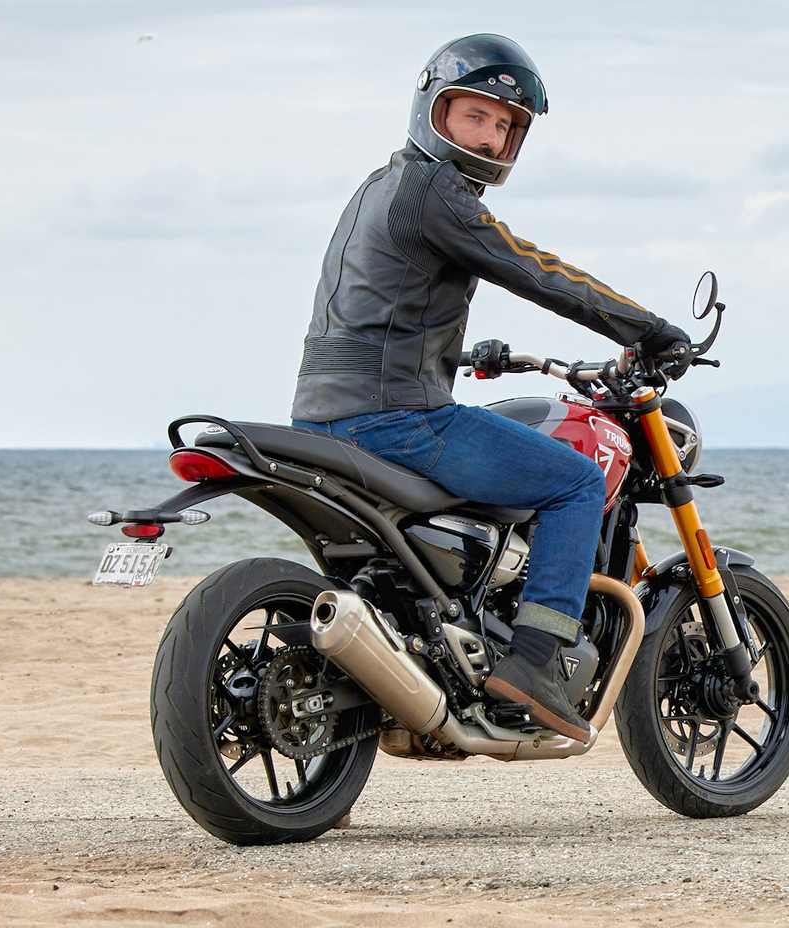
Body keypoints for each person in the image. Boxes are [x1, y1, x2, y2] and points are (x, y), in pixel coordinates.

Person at [290, 34, 688, 742]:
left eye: (506, 125)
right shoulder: (435, 190)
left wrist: (459, 352)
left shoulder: (380, 186)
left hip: (324, 416)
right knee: (571, 481)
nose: (492, 135)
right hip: (396, 420)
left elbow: (377, 305)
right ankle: (536, 659)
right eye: (476, 116)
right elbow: (533, 269)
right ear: (434, 112)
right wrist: (647, 328)